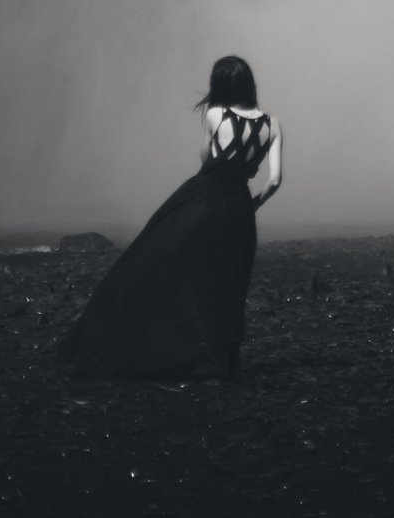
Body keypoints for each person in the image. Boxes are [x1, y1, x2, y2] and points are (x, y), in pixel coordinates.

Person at [56, 55, 284, 379]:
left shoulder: (217, 114)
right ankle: (225, 359)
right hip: (240, 209)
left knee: (159, 263)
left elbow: (206, 157)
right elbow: (275, 180)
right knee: (230, 284)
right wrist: (254, 205)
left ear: (220, 85)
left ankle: (157, 346)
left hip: (204, 198)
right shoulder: (273, 125)